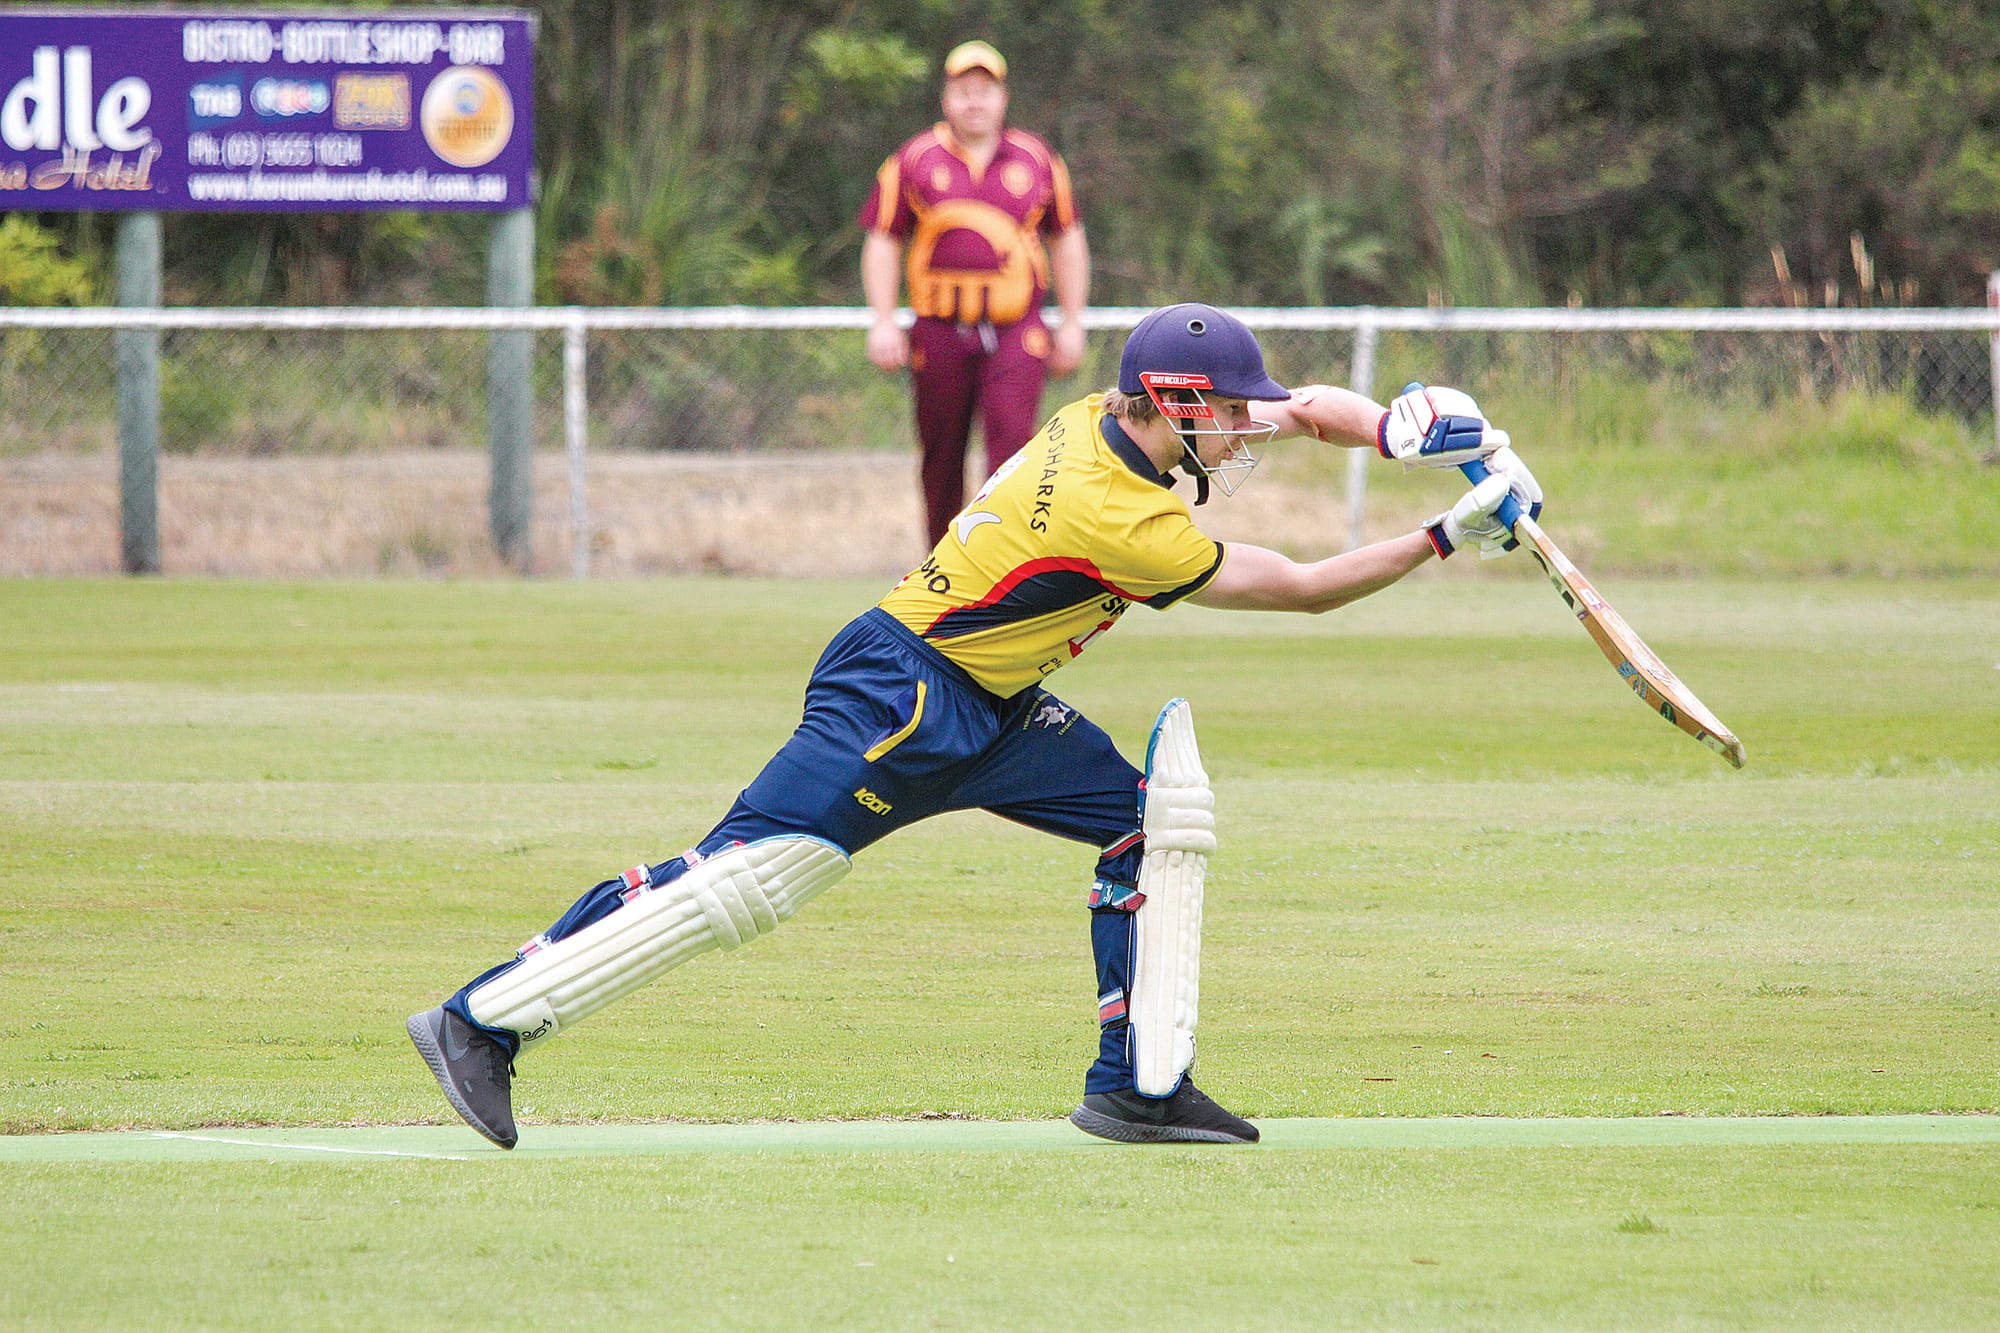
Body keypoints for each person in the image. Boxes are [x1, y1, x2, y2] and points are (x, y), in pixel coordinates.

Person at [408, 302, 1543, 1149]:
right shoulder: (1125, 520)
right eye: (1226, 415)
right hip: (899, 690)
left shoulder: (1111, 412)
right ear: (1178, 405)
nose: (1247, 432)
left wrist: (1397, 434)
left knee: (1152, 826)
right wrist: (1446, 534)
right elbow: (1299, 587)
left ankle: (1137, 1086)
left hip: (992, 706)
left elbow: (1299, 409)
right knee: (746, 881)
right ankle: (483, 1021)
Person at [859, 39, 1091, 548]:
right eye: (963, 91)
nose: (974, 102)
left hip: (1016, 327)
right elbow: (883, 239)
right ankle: (941, 567)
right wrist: (881, 320)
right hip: (939, 327)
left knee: (1013, 448)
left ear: (1003, 98)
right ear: (946, 98)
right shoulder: (914, 159)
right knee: (941, 452)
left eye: (984, 91)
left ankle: (1003, 562)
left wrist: (1072, 322)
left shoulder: (1037, 159)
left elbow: (1067, 238)